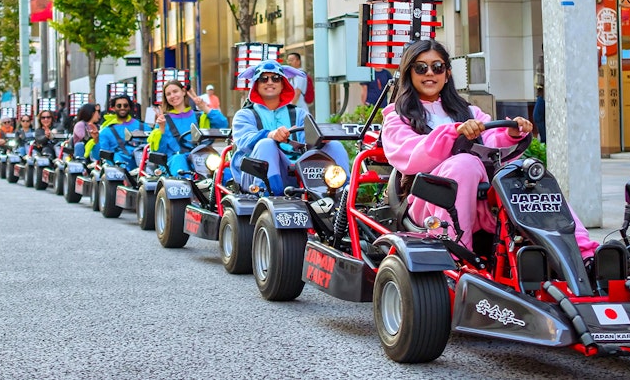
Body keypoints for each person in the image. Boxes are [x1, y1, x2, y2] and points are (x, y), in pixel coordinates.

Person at [381, 40, 598, 259]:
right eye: (421, 68)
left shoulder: (467, 111)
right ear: (409, 73)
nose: (430, 73)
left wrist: (510, 134)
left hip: (481, 201)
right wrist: (454, 133)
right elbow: (413, 156)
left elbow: (490, 141)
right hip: (429, 202)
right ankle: (455, 255)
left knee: (524, 173)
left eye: (437, 67)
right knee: (464, 164)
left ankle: (582, 252)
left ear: (447, 73)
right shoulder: (397, 118)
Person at [231, 60, 349, 195]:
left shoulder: (299, 113)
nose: (270, 82)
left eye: (276, 78)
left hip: (298, 171)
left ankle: (344, 194)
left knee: (335, 146)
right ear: (256, 85)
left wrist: (320, 140)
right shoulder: (244, 114)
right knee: (267, 144)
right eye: (263, 79)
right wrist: (271, 135)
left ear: (283, 84)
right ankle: (271, 196)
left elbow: (309, 143)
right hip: (255, 174)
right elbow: (244, 142)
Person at [149, 80, 228, 176]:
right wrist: (161, 128)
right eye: (168, 94)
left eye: (175, 91)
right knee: (179, 160)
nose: (173, 96)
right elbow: (158, 152)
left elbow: (223, 124)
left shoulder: (199, 116)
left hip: (200, 158)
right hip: (174, 162)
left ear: (183, 92)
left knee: (223, 169)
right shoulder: (163, 121)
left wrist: (204, 107)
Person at [93, 95, 146, 171]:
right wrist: (96, 140)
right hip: (117, 172)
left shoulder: (144, 126)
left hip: (144, 168)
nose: (122, 108)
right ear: (113, 108)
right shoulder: (106, 131)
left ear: (130, 107)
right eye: (119, 105)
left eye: (125, 105)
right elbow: (98, 156)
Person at [533, 53, 546, 143]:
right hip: (542, 93)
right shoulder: (543, 59)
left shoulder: (544, 59)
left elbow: (540, 81)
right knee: (538, 116)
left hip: (543, 94)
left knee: (537, 116)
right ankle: (544, 140)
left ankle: (545, 141)